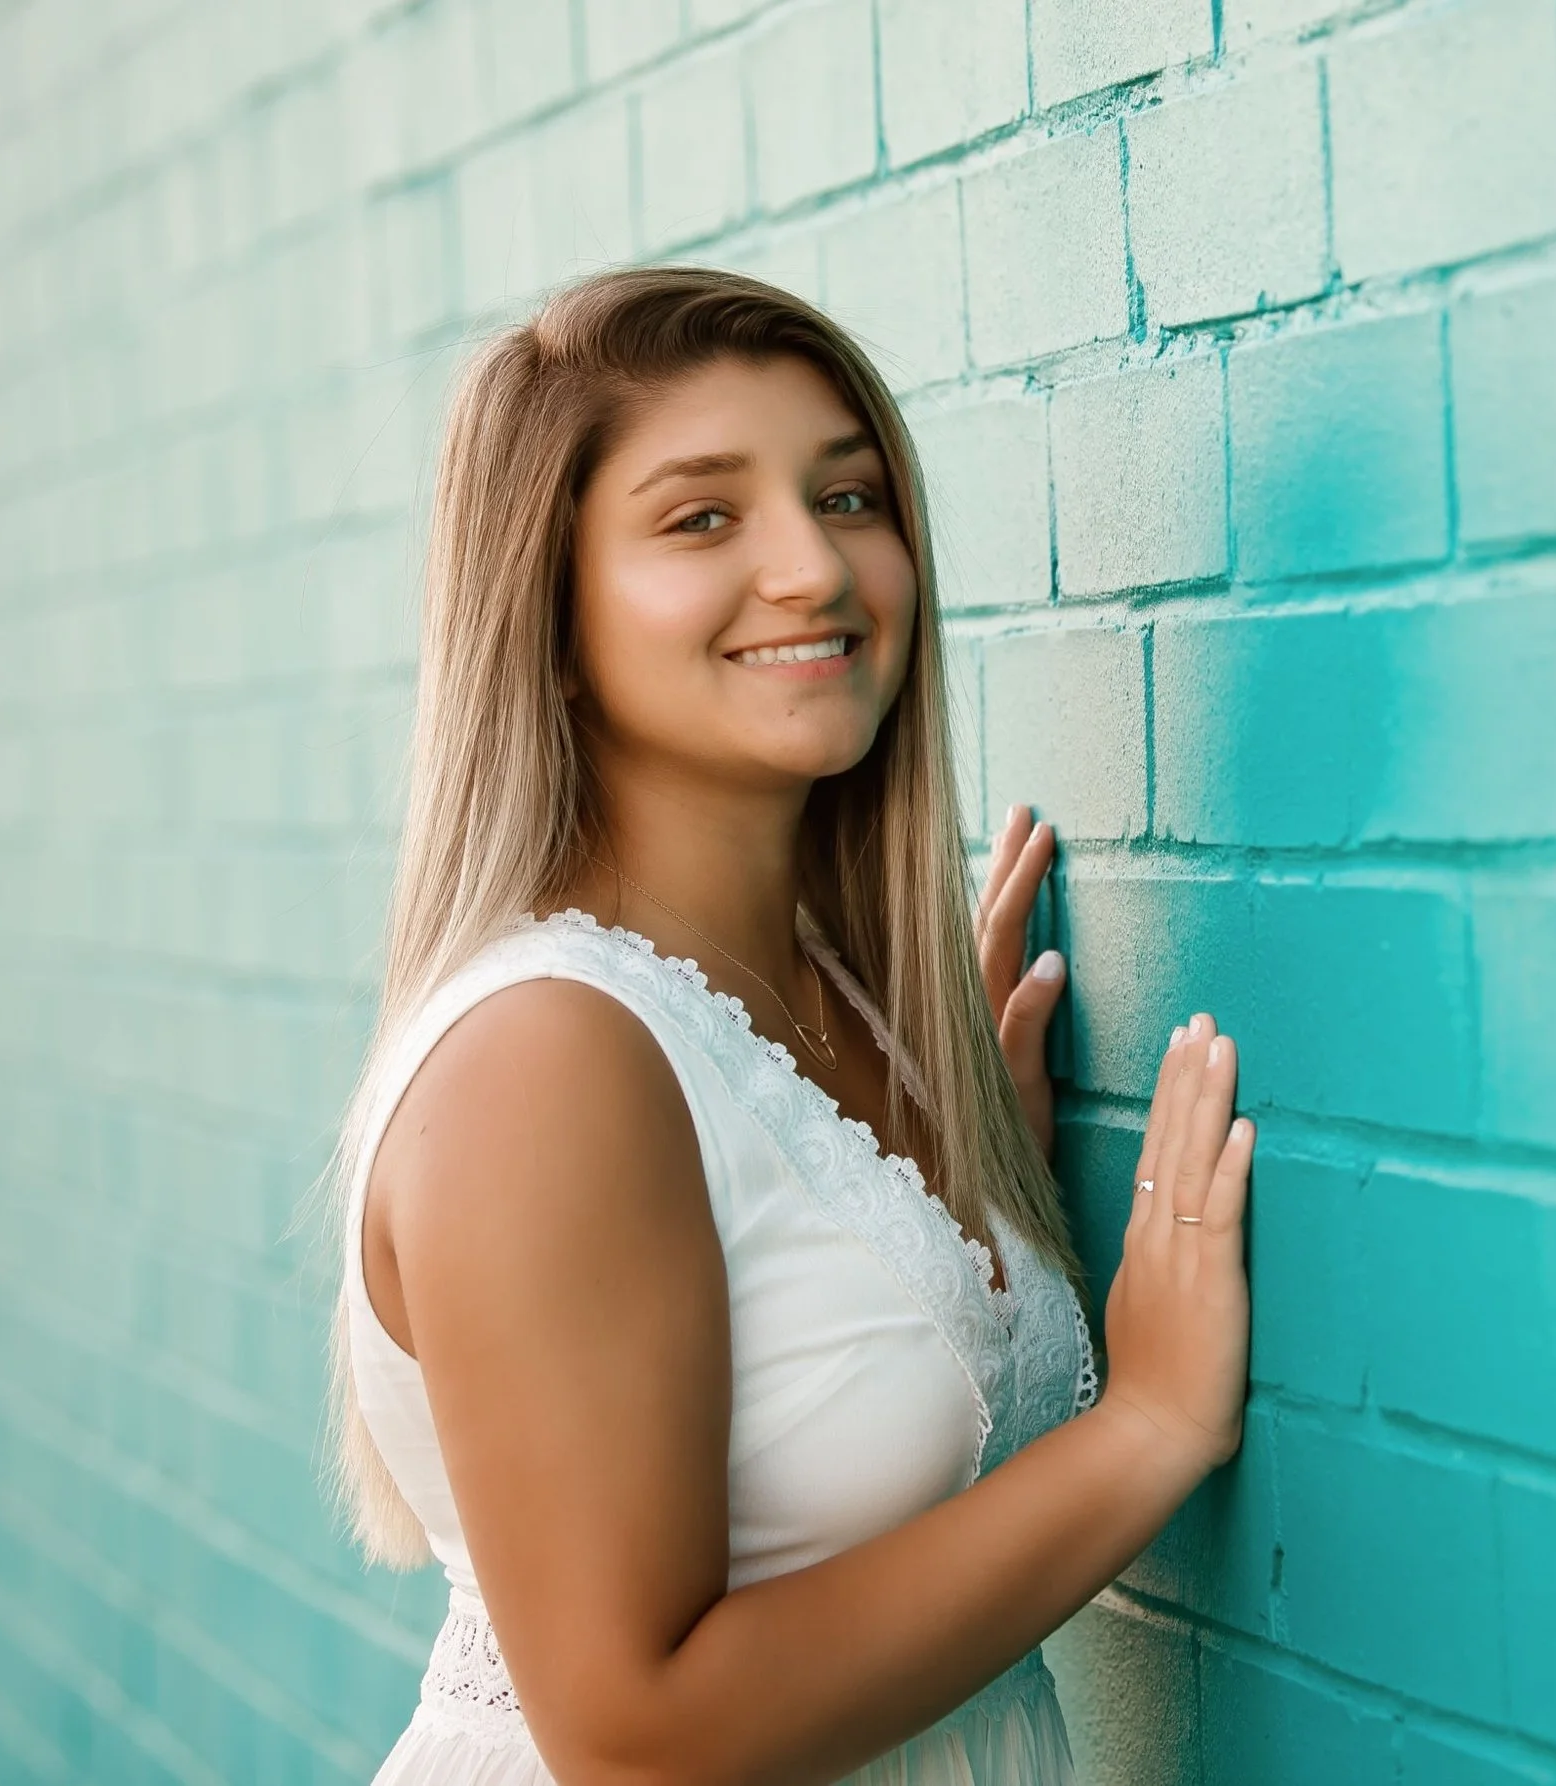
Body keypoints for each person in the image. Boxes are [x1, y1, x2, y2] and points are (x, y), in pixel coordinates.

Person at [315, 263, 1255, 1786]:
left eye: (850, 497)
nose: (813, 569)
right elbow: (637, 1735)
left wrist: (967, 1211)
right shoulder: (545, 1058)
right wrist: (1140, 1426)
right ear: (548, 615)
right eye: (703, 517)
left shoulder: (840, 1010)